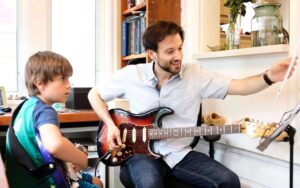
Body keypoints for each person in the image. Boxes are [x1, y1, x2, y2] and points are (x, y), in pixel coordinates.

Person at [88, 21, 294, 188]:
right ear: (152, 54)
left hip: (179, 153)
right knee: (150, 184)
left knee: (229, 182)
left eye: (179, 48)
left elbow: (240, 86)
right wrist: (111, 124)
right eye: (170, 51)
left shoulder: (196, 75)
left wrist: (269, 77)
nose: (177, 56)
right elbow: (94, 94)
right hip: (140, 154)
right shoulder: (132, 75)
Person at [5, 51, 103, 188]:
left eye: (68, 79)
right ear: (39, 83)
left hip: (27, 178)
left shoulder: (25, 107)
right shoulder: (44, 111)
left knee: (97, 181)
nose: (69, 84)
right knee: (98, 185)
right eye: (63, 79)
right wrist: (83, 159)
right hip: (45, 181)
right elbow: (55, 145)